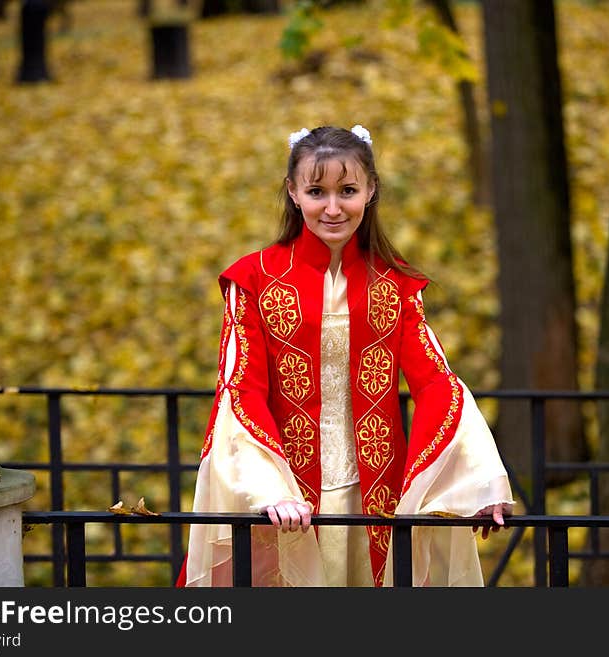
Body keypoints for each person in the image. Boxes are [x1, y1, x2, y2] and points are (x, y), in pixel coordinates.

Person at [178, 124, 514, 588]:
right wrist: (269, 489)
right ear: (293, 192)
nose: (333, 208)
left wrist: (477, 483)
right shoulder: (253, 280)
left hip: (378, 495)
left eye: (348, 190)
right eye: (317, 191)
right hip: (285, 495)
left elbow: (436, 382)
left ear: (371, 191)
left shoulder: (394, 285)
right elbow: (241, 388)